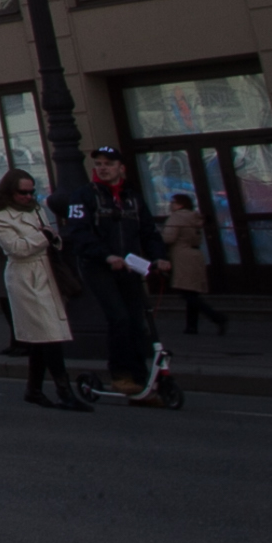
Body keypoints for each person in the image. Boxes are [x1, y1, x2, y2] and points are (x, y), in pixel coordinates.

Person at [60, 144, 165, 393]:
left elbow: (149, 231)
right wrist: (106, 256)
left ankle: (140, 377)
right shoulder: (84, 195)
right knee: (119, 319)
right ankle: (120, 374)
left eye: (108, 164)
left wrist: (159, 257)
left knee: (137, 321)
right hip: (98, 266)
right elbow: (80, 233)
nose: (103, 168)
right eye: (98, 164)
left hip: (128, 267)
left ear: (121, 168)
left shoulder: (132, 198)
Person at [0, 169, 80, 409]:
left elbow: (52, 236)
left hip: (46, 271)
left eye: (31, 191)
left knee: (40, 336)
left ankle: (34, 389)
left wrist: (49, 237)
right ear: (10, 191)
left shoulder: (37, 210)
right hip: (25, 277)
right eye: (22, 192)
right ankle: (64, 390)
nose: (28, 196)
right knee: (49, 334)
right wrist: (44, 237)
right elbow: (15, 248)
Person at [164, 195, 228, 334]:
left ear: (180, 204)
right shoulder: (195, 217)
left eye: (173, 202)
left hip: (182, 256)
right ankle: (191, 326)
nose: (171, 205)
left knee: (186, 293)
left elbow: (169, 237)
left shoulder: (177, 217)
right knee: (191, 292)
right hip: (195, 255)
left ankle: (216, 317)